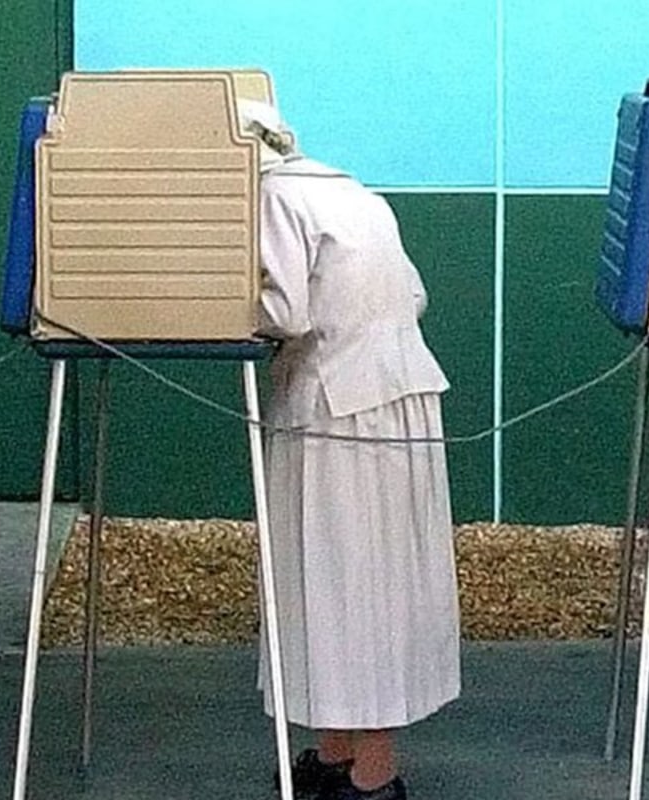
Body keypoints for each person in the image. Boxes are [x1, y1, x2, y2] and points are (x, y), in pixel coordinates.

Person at [242, 100, 460, 800]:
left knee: (343, 588)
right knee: (370, 585)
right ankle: (340, 759)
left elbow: (282, 312)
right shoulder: (346, 188)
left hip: (337, 407)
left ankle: (370, 780)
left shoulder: (274, 195)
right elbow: (415, 292)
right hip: (400, 394)